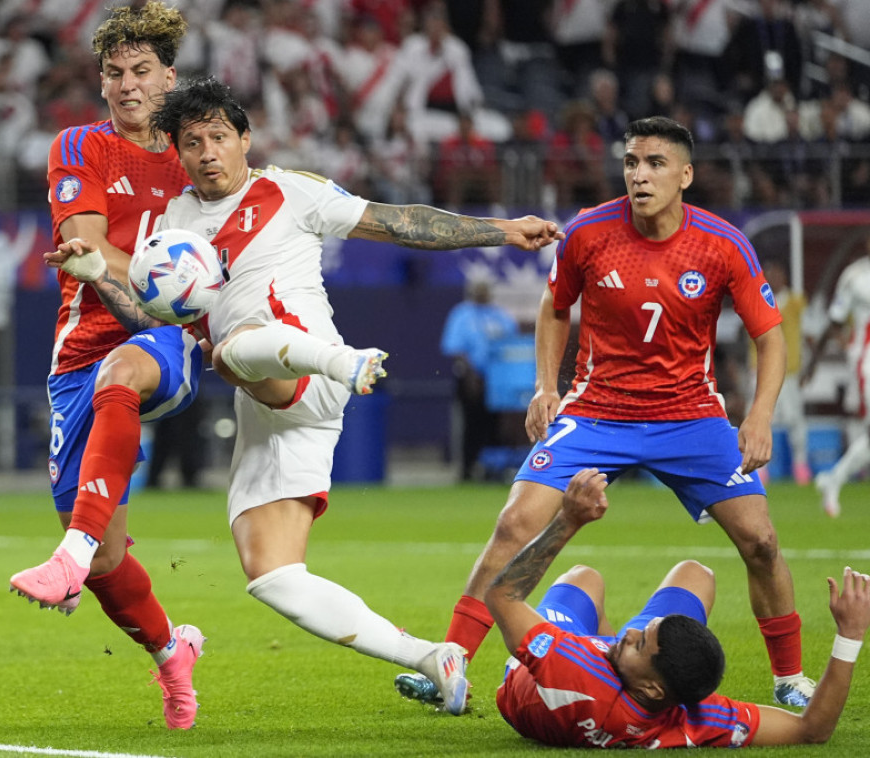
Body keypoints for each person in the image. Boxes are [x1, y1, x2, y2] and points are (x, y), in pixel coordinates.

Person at [53, 74, 563, 715]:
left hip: (311, 366)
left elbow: (400, 222)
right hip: (267, 406)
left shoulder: (291, 191)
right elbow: (154, 319)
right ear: (178, 153)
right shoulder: (175, 224)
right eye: (192, 143)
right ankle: (433, 657)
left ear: (245, 139)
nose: (208, 153)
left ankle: (347, 361)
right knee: (272, 575)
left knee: (232, 349)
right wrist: (98, 275)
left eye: (219, 137)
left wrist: (502, 229)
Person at [396, 116, 816, 711]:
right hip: (596, 413)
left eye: (655, 164)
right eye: (631, 163)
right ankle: (452, 662)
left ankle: (790, 679)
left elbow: (769, 337)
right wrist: (546, 386)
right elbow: (555, 306)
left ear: (685, 175)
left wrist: (760, 416)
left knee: (762, 541)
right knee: (515, 524)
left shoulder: (722, 243)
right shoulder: (589, 232)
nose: (639, 175)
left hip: (690, 416)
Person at [7, 2, 205, 730]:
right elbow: (88, 251)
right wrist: (154, 282)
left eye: (141, 70)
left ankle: (68, 553)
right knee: (107, 562)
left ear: (169, 77)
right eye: (115, 72)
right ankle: (172, 653)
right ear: (100, 80)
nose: (127, 85)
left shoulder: (196, 152)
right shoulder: (79, 146)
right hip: (78, 354)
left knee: (126, 368)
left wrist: (186, 309)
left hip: (165, 341)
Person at [486, 467, 870, 748]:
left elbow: (501, 595)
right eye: (643, 633)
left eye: (639, 642)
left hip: (531, 684)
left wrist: (568, 521)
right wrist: (850, 636)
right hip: (620, 684)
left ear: (652, 688)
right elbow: (811, 730)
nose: (630, 633)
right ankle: (630, 646)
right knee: (696, 574)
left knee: (584, 578)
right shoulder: (695, 715)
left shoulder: (575, 667)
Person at [802, 235, 870, 517]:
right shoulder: (855, 277)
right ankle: (834, 480)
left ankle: (833, 480)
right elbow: (835, 320)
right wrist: (812, 363)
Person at [439, 278, 519, 481]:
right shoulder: (462, 314)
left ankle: (493, 469)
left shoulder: (499, 315)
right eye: (478, 289)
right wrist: (471, 376)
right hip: (471, 378)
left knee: (496, 426)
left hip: (498, 380)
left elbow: (512, 344)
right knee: (471, 424)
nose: (482, 293)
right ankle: (468, 469)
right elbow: (456, 349)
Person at [754, 260, 811, 485]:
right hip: (760, 371)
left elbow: (809, 334)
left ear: (784, 278)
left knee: (795, 421)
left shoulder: (796, 303)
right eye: (769, 275)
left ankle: (800, 465)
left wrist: (809, 366)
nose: (773, 279)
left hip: (790, 371)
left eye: (776, 275)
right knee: (760, 418)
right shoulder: (756, 298)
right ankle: (760, 468)